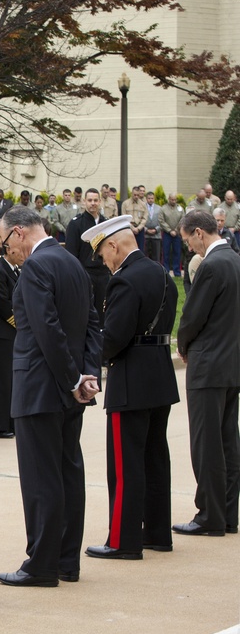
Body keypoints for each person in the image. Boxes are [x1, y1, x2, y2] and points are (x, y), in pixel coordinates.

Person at [0, 206, 102, 588]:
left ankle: (41, 564)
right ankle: (65, 561)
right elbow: (91, 324)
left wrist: (75, 377)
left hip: (42, 385)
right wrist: (88, 373)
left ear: (19, 232)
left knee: (42, 479)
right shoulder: (72, 262)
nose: (5, 252)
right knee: (67, 472)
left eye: (5, 243)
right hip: (67, 389)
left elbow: (46, 330)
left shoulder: (37, 267)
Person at [79, 215, 178, 559]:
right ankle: (157, 532)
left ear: (114, 245)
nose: (104, 263)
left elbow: (116, 337)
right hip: (160, 375)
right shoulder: (162, 275)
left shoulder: (124, 281)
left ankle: (123, 540)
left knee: (125, 465)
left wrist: (92, 356)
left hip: (132, 377)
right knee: (154, 458)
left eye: (104, 255)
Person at [175, 210, 240, 536]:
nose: (190, 249)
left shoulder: (212, 266)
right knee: (228, 440)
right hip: (231, 363)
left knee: (207, 444)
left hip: (209, 364)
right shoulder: (235, 259)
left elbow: (191, 316)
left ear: (199, 233)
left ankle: (209, 516)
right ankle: (228, 513)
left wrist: (183, 345)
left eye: (189, 241)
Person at [0, 235, 23, 438]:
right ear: (9, 250)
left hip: (12, 334)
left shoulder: (15, 271)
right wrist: (20, 324)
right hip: (2, 333)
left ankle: (10, 421)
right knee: (2, 380)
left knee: (11, 379)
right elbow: (2, 303)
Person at [65, 188, 109, 326]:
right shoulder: (76, 224)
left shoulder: (106, 223)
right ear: (84, 202)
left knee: (102, 312)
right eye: (89, 200)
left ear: (100, 202)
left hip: (103, 274)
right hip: (85, 273)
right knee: (85, 311)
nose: (93, 203)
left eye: (96, 200)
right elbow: (72, 255)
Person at [159, 193, 185, 276]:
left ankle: (177, 271)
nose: (173, 201)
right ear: (168, 199)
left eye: (175, 200)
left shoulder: (180, 208)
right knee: (165, 252)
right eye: (172, 199)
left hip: (177, 234)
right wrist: (170, 230)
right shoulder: (163, 208)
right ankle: (166, 270)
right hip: (167, 233)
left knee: (177, 252)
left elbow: (183, 219)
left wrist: (176, 230)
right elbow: (161, 221)